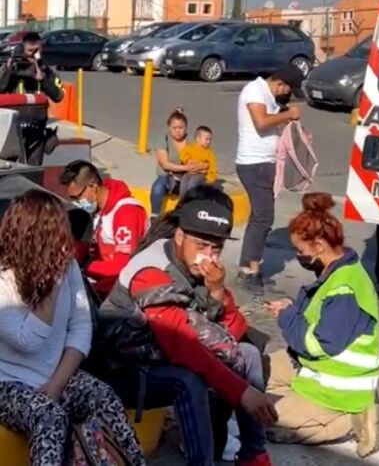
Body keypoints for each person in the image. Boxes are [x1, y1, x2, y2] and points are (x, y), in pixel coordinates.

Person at [98, 194, 277, 466]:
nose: (208, 256)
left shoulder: (202, 270)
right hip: (125, 367)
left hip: (163, 353)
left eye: (215, 249)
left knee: (249, 353)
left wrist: (217, 290)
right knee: (187, 380)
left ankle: (254, 455)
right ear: (180, 237)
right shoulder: (152, 270)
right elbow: (182, 345)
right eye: (201, 245)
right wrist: (241, 390)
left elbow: (235, 328)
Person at [0, 189, 144, 465]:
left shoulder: (65, 266)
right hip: (8, 383)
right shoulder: (4, 277)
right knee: (50, 416)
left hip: (54, 375)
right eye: (60, 233)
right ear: (33, 237)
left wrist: (56, 385)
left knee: (104, 397)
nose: (68, 243)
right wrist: (51, 287)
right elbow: (28, 340)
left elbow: (80, 326)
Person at [263, 192, 379, 457]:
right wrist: (290, 309)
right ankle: (301, 403)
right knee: (250, 375)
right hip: (312, 368)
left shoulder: (345, 289)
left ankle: (347, 420)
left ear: (318, 246)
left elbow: (316, 344)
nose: (297, 256)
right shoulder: (336, 270)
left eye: (299, 250)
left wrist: (286, 316)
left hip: (335, 389)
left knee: (263, 419)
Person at [235, 65, 303, 293]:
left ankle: (248, 266)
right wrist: (288, 114)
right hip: (253, 163)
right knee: (264, 217)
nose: (285, 94)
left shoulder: (270, 97)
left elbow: (274, 125)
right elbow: (262, 122)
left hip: (266, 163)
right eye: (286, 89)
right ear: (281, 83)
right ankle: (249, 271)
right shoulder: (255, 90)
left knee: (259, 216)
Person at [60, 160, 148, 299]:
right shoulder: (98, 208)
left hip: (124, 290)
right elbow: (93, 245)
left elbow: (123, 266)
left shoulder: (127, 213)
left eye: (77, 197)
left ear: (92, 187)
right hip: (102, 282)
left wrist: (84, 267)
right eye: (72, 199)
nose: (76, 202)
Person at [0, 32, 65, 165]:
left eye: (38, 50)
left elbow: (58, 96)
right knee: (9, 165)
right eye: (30, 50)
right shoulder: (12, 66)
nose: (35, 54)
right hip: (11, 127)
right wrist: (8, 71)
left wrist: (44, 80)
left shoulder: (47, 70)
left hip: (36, 127)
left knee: (33, 167)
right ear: (23, 49)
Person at [150, 109, 209, 216]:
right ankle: (154, 217)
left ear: (186, 127)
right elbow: (165, 164)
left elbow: (204, 162)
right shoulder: (163, 140)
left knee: (193, 185)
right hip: (169, 177)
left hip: (187, 177)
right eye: (174, 128)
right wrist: (186, 167)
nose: (178, 131)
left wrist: (196, 166)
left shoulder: (193, 141)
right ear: (169, 128)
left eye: (181, 128)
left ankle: (187, 214)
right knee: (157, 188)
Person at [179, 126, 218, 197]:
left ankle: (192, 201)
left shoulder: (209, 152)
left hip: (201, 174)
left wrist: (210, 179)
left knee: (192, 183)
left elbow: (213, 166)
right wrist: (188, 160)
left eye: (210, 140)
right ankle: (182, 201)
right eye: (206, 139)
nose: (208, 142)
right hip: (189, 172)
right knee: (184, 181)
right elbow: (183, 154)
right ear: (198, 139)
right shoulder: (190, 147)